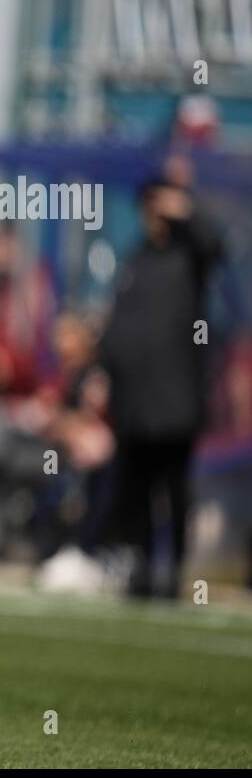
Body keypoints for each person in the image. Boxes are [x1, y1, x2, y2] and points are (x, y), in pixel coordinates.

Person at [99, 177, 225, 597]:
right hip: (134, 402)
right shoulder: (136, 259)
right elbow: (118, 324)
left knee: (174, 492)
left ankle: (172, 572)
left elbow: (215, 245)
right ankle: (141, 568)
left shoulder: (190, 255)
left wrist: (186, 211)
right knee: (136, 491)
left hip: (174, 403)